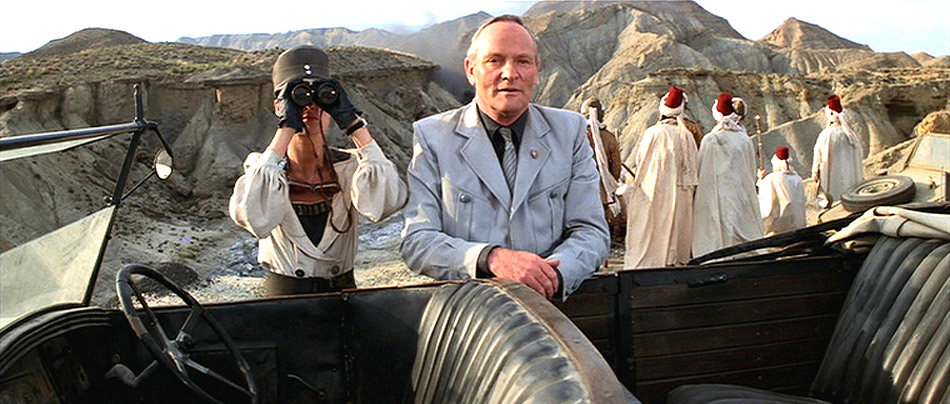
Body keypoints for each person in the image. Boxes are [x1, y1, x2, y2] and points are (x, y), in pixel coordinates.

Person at [400, 15, 609, 300]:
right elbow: (417, 241)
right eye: (494, 61)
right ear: (471, 70)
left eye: (523, 61)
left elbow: (592, 232)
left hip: (552, 308)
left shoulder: (570, 132)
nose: (510, 73)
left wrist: (551, 277)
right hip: (472, 311)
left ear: (537, 70)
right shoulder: (433, 137)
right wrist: (490, 258)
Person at [229, 45, 407, 296]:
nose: (310, 107)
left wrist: (353, 123)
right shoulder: (261, 169)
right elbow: (253, 219)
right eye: (300, 97)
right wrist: (287, 125)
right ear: (279, 106)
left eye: (321, 98)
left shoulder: (351, 168)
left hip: (343, 301)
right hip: (281, 304)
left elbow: (385, 206)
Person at [623, 86, 699, 269]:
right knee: (676, 225)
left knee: (651, 225)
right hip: (679, 193)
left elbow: (640, 161)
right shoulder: (686, 136)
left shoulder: (652, 133)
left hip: (653, 189)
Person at [692, 93, 764, 257]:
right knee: (739, 221)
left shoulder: (710, 139)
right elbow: (750, 168)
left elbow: (701, 169)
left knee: (719, 225)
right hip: (740, 190)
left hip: (716, 192)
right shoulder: (744, 139)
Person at [581, 97, 624, 248]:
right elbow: (616, 167)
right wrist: (611, 182)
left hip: (580, 186)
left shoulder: (577, 135)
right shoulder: (609, 137)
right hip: (601, 187)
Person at [812, 94, 863, 203]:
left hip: (833, 181)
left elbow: (818, 158)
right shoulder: (850, 135)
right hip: (851, 180)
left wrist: (816, 172)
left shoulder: (825, 135)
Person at [757, 146, 806, 236]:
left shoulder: (771, 179)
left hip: (778, 232)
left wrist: (760, 180)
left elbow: (765, 204)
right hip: (798, 228)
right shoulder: (798, 179)